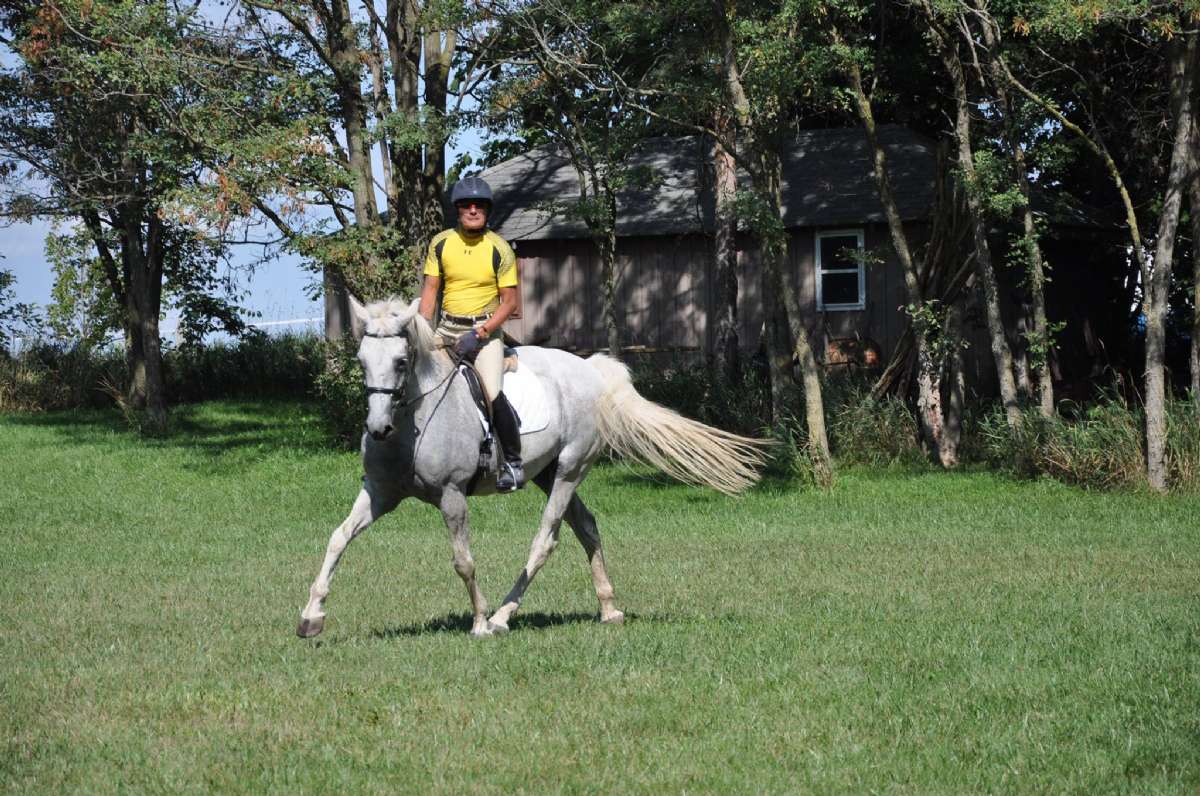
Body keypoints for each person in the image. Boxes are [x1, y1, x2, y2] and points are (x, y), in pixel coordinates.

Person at [418, 175, 525, 492]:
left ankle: (513, 463)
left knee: (491, 393)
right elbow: (430, 292)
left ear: (487, 210)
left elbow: (510, 303)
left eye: (479, 205)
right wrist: (420, 332)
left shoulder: (499, 249)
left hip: (485, 334)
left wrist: (480, 334)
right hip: (447, 328)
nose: (473, 210)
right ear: (458, 209)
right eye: (467, 205)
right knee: (407, 374)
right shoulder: (440, 243)